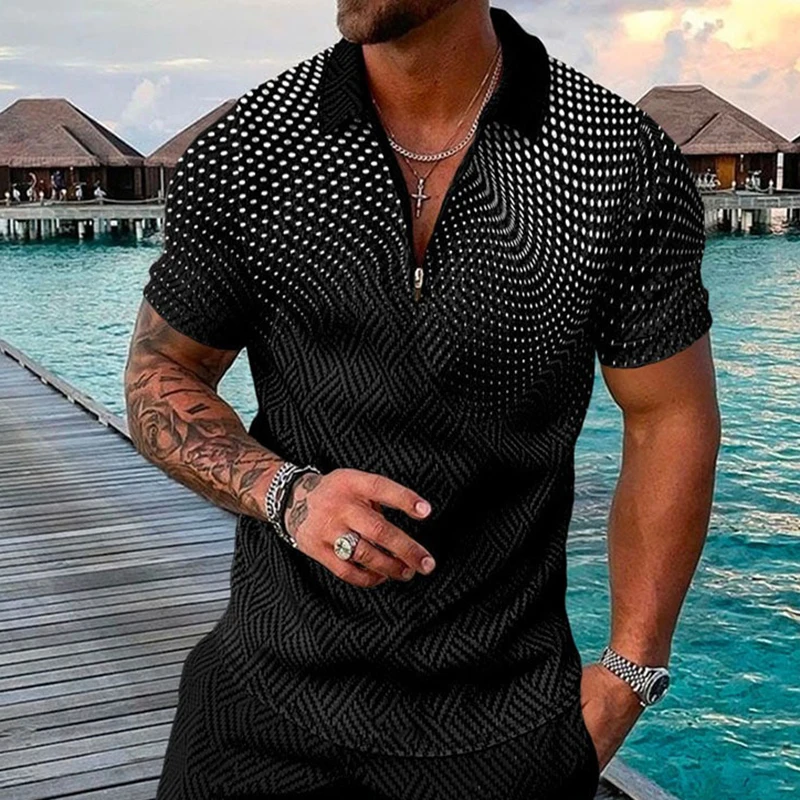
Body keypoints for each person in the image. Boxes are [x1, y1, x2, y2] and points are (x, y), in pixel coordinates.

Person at [125, 2, 720, 799]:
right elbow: (162, 369)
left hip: (503, 733)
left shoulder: (613, 158)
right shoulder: (251, 148)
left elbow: (668, 415)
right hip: (259, 713)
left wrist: (630, 674)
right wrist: (287, 494)